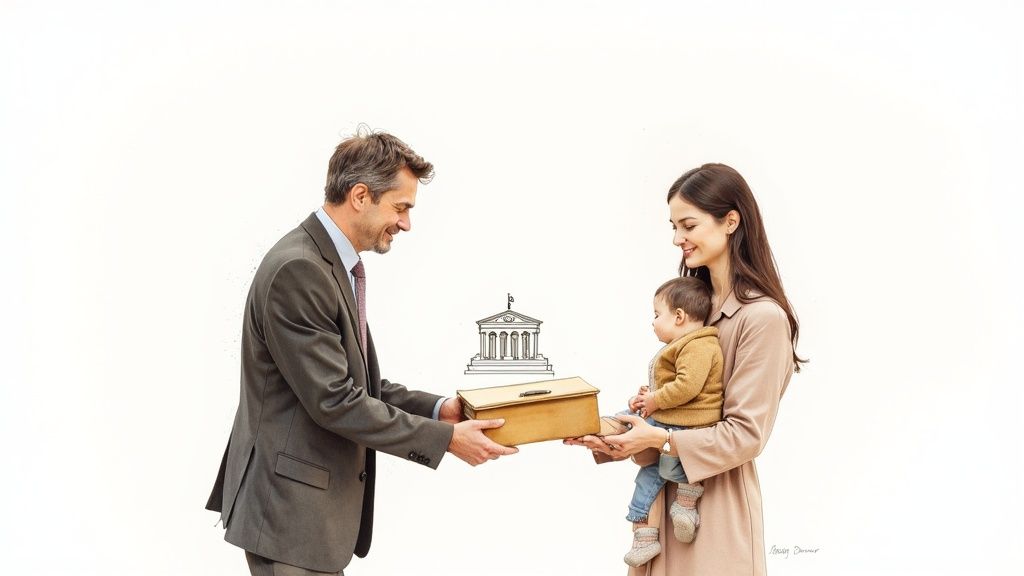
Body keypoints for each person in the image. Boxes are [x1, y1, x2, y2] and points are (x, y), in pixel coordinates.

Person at [205, 127, 517, 576]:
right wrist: (445, 442)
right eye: (401, 207)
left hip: (304, 518)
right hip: (289, 516)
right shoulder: (301, 269)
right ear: (359, 195)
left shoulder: (328, 262)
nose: (406, 223)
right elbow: (335, 401)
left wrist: (439, 411)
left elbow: (357, 385)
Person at [567, 163, 804, 576]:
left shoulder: (762, 318)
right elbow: (679, 412)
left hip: (716, 516)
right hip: (662, 514)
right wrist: (619, 435)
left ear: (731, 221)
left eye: (688, 225)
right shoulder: (693, 307)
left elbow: (745, 435)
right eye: (674, 227)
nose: (678, 239)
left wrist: (658, 439)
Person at [621, 276, 724, 567]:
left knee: (668, 468)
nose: (652, 322)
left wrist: (654, 401)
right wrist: (649, 395)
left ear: (679, 316)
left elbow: (687, 386)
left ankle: (686, 506)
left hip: (687, 425)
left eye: (656, 315)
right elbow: (674, 386)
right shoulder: (684, 345)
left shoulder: (700, 346)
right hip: (672, 419)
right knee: (649, 475)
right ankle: (645, 537)